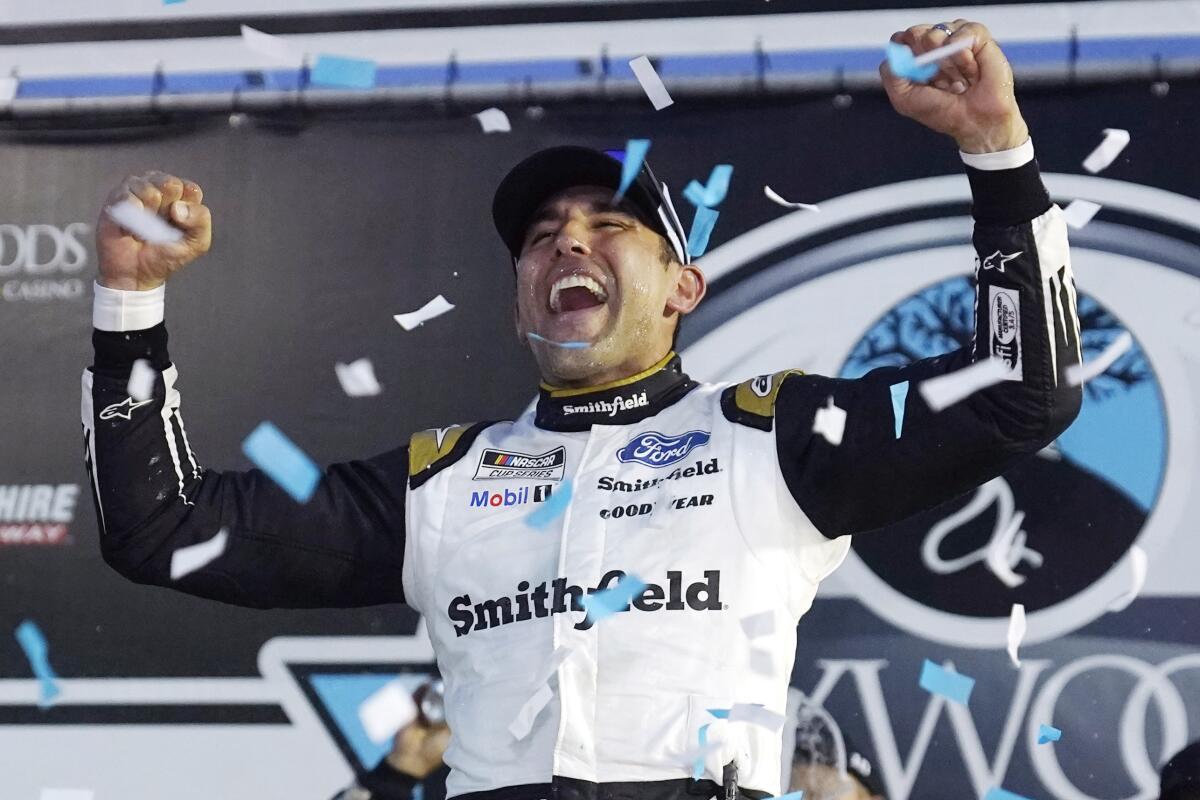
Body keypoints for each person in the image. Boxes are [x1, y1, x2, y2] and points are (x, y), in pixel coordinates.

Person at [81, 19, 1082, 800]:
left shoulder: (773, 438)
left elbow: (1024, 391)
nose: (569, 245)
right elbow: (163, 527)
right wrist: (130, 299)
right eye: (543, 238)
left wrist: (996, 148)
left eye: (609, 226)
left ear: (683, 287)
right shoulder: (441, 482)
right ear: (519, 299)